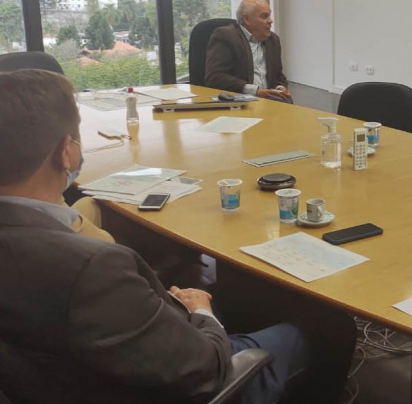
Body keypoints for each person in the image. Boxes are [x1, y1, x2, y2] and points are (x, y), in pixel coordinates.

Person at [0, 69, 313, 404]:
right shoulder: (93, 269)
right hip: (163, 382)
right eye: (76, 138)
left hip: (58, 375)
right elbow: (210, 369)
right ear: (66, 152)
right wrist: (202, 313)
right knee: (313, 331)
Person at [205, 0, 292, 102]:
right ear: (247, 19)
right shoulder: (226, 36)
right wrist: (255, 91)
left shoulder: (273, 40)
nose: (270, 21)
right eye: (264, 16)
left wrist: (280, 88)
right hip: (239, 100)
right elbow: (215, 77)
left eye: (270, 15)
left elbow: (278, 75)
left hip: (268, 100)